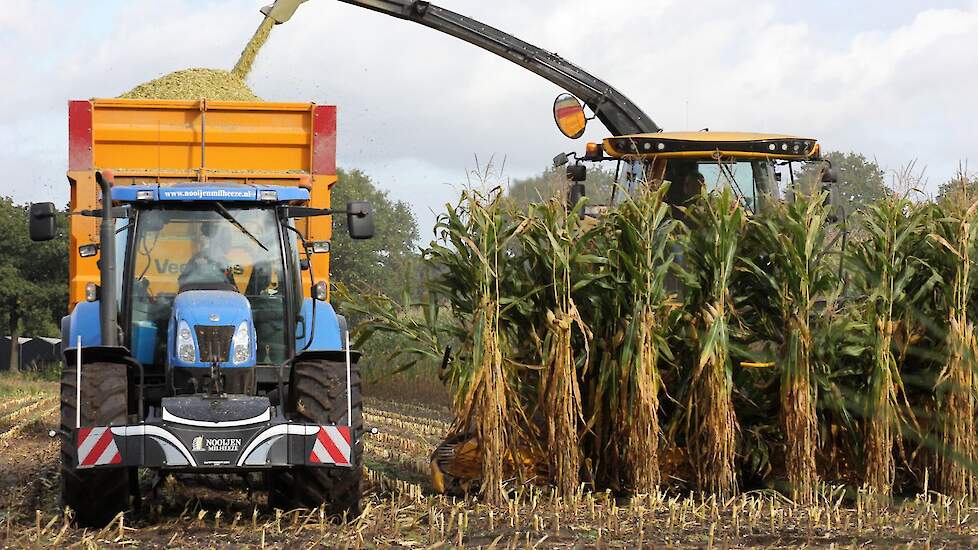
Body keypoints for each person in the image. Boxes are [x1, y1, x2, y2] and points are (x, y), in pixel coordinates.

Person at [178, 223, 237, 291]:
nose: (230, 243)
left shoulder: (224, 262)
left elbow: (233, 287)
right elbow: (182, 281)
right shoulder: (198, 258)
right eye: (227, 240)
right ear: (218, 241)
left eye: (229, 240)